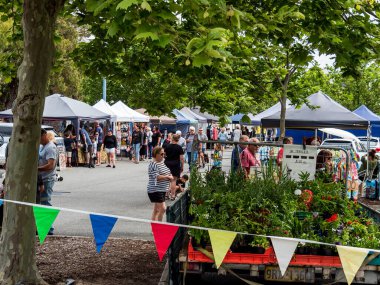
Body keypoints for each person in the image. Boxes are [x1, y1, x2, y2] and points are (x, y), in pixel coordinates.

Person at [38, 129, 58, 235]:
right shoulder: (42, 147)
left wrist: (37, 169)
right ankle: (43, 227)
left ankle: (48, 228)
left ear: (45, 135)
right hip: (41, 179)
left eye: (39, 137)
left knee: (45, 203)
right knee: (41, 203)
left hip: (47, 179)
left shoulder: (50, 147)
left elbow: (50, 165)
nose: (39, 139)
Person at [147, 147, 173, 221]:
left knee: (157, 210)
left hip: (162, 189)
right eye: (161, 154)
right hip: (155, 189)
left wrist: (169, 177)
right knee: (163, 208)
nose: (163, 156)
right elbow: (157, 177)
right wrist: (168, 176)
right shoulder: (153, 164)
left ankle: (154, 227)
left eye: (164, 154)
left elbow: (168, 173)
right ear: (156, 154)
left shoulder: (162, 163)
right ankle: (159, 227)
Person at [164, 134, 185, 199]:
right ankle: (173, 195)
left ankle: (166, 194)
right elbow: (181, 158)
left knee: (167, 180)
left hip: (167, 164)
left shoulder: (167, 146)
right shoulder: (179, 147)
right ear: (178, 140)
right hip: (175, 164)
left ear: (172, 139)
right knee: (173, 180)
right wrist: (182, 166)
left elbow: (164, 155)